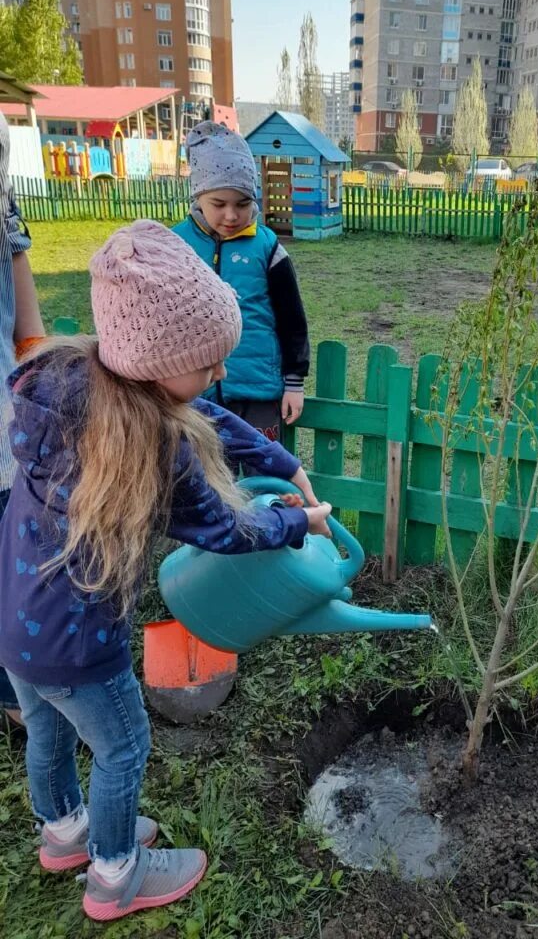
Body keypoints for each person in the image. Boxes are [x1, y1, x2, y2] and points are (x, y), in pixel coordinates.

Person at [0, 221, 331, 922]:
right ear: (156, 361)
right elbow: (228, 528)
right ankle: (116, 872)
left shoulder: (60, 383)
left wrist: (283, 462)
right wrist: (297, 520)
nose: (219, 374)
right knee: (123, 747)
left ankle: (64, 834)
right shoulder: (149, 447)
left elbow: (205, 412)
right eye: (208, 360)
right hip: (82, 648)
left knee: (49, 732)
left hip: (14, 630)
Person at [173, 120, 309, 441]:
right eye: (219, 204)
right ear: (198, 197)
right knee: (207, 480)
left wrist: (294, 383)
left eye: (243, 204)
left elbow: (292, 319)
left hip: (257, 392)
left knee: (263, 474)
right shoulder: (176, 245)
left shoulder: (267, 248)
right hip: (196, 395)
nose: (232, 215)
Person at [0, 110, 45, 727]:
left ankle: (15, 696)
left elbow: (29, 327)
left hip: (3, 421)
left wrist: (38, 392)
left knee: (11, 552)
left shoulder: (5, 224)